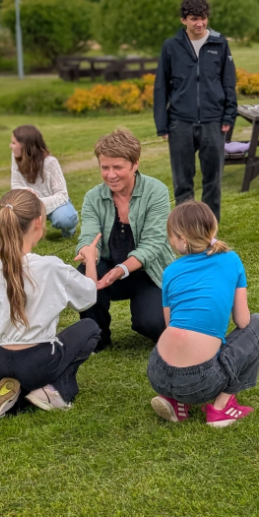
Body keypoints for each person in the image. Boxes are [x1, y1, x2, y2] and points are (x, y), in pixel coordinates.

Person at [0, 188, 104, 422]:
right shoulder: (49, 266)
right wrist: (90, 260)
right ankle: (55, 391)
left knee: (33, 358)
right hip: (38, 363)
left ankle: (15, 398)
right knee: (90, 327)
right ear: (38, 222)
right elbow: (88, 297)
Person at [148, 201, 259, 427]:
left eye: (171, 237)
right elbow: (243, 321)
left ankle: (175, 400)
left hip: (157, 371)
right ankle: (220, 408)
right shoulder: (231, 259)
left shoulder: (170, 271)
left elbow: (170, 324)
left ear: (183, 241)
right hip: (200, 382)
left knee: (184, 340)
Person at [76, 127, 173, 351]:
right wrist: (87, 252)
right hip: (109, 269)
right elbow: (89, 236)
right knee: (84, 273)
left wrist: (120, 270)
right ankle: (96, 338)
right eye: (105, 167)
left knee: (153, 324)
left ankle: (172, 312)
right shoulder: (93, 197)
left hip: (149, 273)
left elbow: (153, 244)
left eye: (117, 167)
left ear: (135, 164)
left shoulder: (156, 191)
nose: (111, 174)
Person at [153, 0, 237, 222]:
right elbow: (161, 86)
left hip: (213, 122)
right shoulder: (171, 47)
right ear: (183, 20)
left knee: (213, 181)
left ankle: (210, 229)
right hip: (180, 122)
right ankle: (186, 228)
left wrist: (229, 116)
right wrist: (162, 124)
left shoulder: (220, 44)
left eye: (203, 18)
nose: (199, 24)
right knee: (183, 182)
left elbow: (229, 81)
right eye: (193, 19)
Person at [10, 125, 79, 238]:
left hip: (53, 203)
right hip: (29, 202)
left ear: (25, 146)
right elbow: (16, 184)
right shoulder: (16, 157)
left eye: (13, 143)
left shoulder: (50, 162)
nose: (10, 146)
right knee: (8, 214)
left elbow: (62, 195)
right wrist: (26, 192)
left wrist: (40, 202)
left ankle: (70, 227)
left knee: (65, 219)